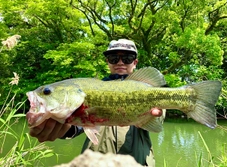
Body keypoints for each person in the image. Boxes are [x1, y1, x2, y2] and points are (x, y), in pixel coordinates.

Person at [28, 39, 165, 166]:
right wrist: (63, 127)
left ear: (135, 62)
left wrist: (153, 114)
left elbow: (160, 112)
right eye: (114, 58)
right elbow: (79, 126)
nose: (120, 62)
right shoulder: (90, 89)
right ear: (108, 61)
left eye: (127, 58)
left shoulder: (148, 89)